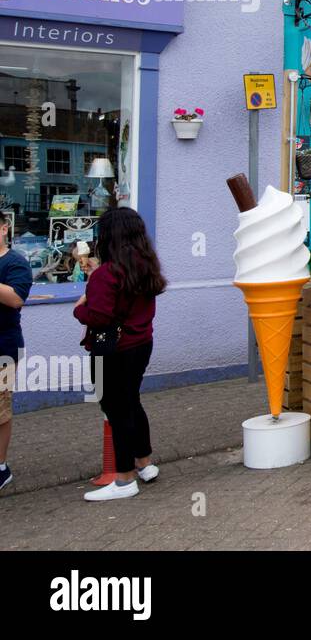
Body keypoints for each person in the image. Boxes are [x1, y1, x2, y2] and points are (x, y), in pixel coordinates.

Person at [74, 208, 167, 502]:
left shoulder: (107, 274)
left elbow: (98, 316)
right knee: (132, 402)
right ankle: (144, 462)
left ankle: (124, 478)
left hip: (113, 349)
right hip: (141, 344)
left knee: (116, 410)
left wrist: (80, 307)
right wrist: (96, 278)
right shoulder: (145, 265)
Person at [0, 211, 33, 493]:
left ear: (4, 228)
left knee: (0, 410)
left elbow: (16, 299)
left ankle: (1, 467)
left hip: (4, 347)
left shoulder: (16, 263)